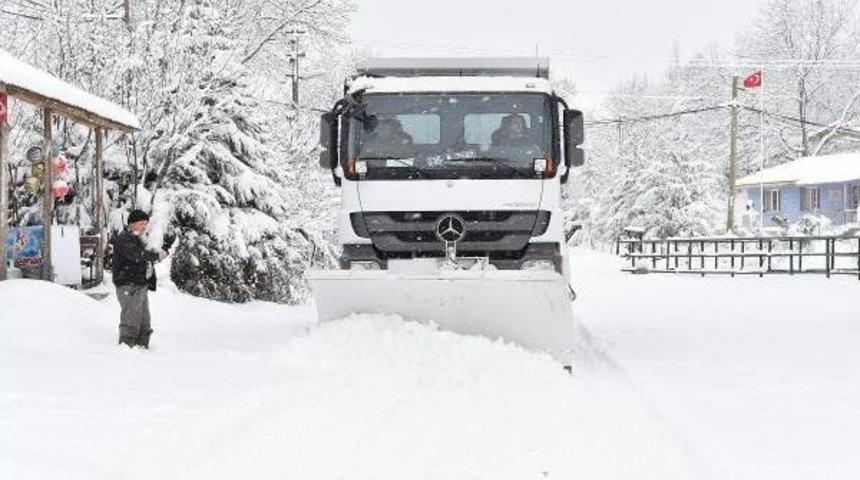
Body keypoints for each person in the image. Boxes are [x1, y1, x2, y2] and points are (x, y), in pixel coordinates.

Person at [112, 210, 167, 348]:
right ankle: (126, 349)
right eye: (141, 223)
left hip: (140, 286)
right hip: (129, 286)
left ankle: (143, 350)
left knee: (144, 322)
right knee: (131, 320)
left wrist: (155, 256)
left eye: (146, 224)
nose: (144, 226)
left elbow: (142, 258)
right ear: (132, 224)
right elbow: (136, 255)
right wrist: (154, 256)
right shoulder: (125, 238)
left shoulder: (137, 239)